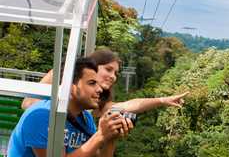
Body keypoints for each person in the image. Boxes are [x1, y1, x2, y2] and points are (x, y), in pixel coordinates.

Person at [0, 57, 133, 157]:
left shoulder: (85, 119)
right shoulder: (42, 115)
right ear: (70, 87)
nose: (100, 89)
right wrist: (100, 135)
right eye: (92, 83)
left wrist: (110, 138)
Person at [22, 47, 188, 117]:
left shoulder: (96, 102)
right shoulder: (62, 76)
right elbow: (28, 103)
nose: (113, 76)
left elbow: (128, 106)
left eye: (115, 73)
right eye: (108, 69)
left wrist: (161, 100)